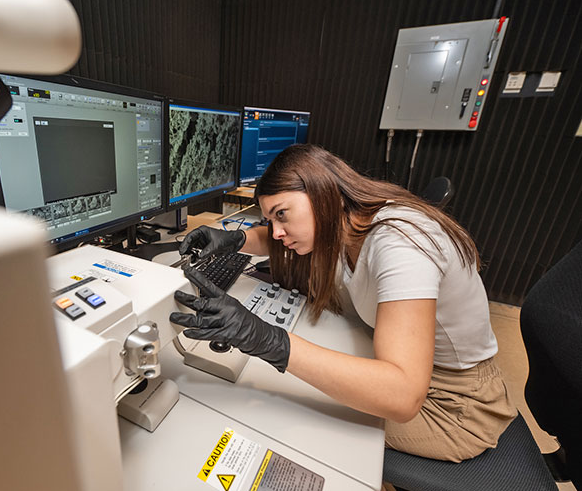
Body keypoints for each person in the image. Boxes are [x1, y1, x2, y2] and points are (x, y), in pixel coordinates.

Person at [170, 144, 516, 463]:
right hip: (422, 375)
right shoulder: (351, 219)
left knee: (282, 413)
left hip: (456, 405)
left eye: (282, 215)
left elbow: (403, 394)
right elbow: (279, 239)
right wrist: (236, 238)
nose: (276, 232)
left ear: (325, 195)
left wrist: (268, 340)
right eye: (269, 220)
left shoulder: (400, 243)